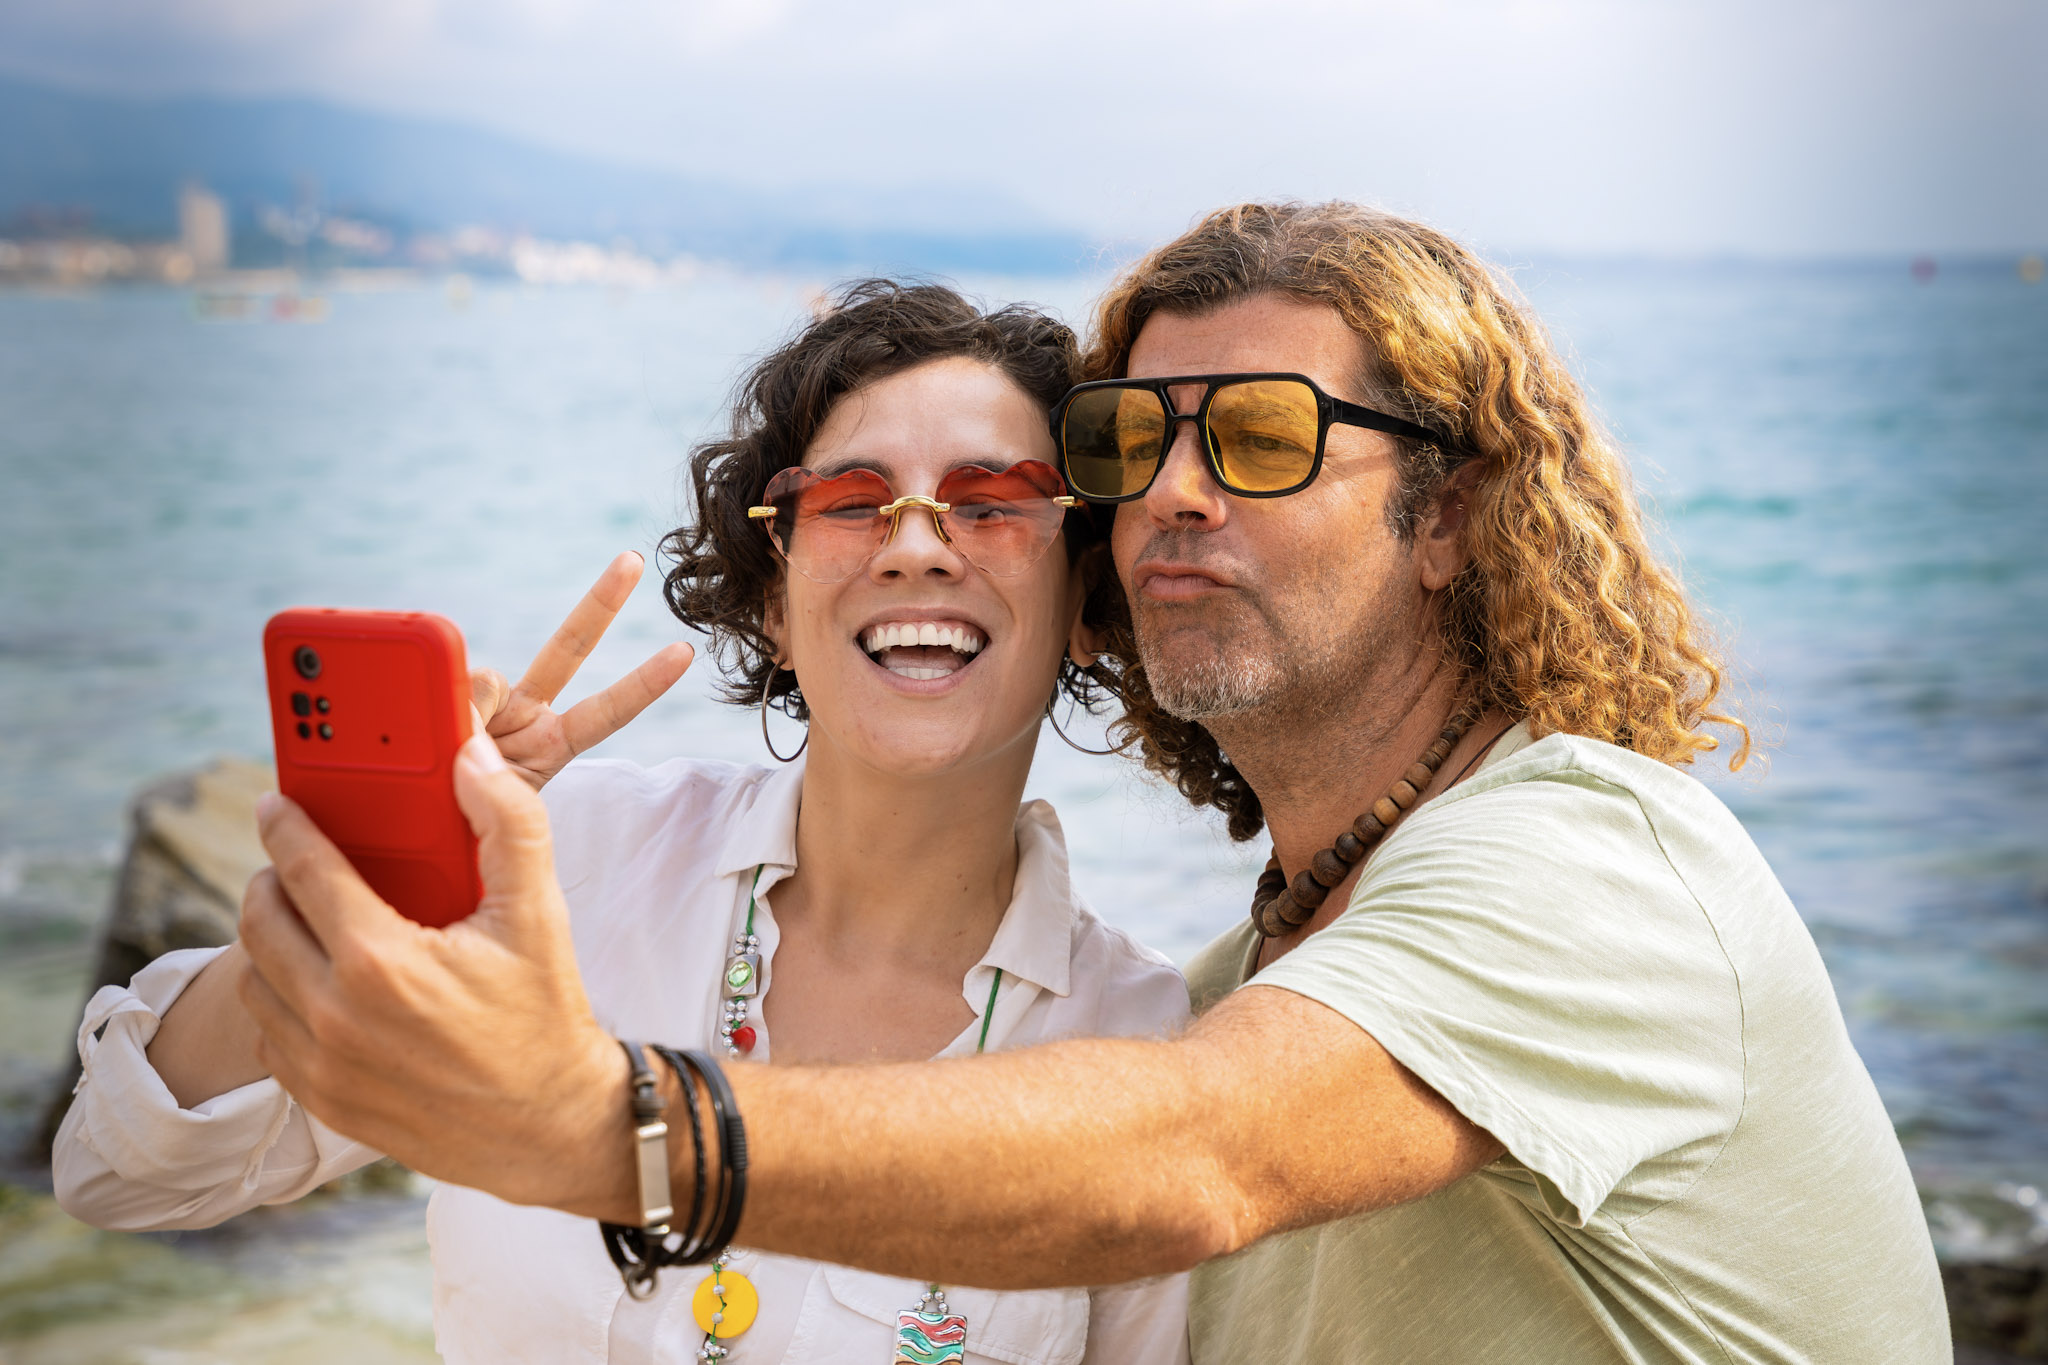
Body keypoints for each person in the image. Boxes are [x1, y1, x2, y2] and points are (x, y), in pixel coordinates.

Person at [81, 202, 1953, 1364]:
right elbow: (123, 1162)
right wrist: (384, 890)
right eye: (1132, 445)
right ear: (774, 564)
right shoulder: (1251, 989)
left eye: (1263, 436)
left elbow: (1190, 1157)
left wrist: (599, 1122)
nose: (1179, 493)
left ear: (1452, 514)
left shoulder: (1588, 867)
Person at [52, 281, 1194, 1364]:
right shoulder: (571, 860)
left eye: (990, 506)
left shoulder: (1145, 1044)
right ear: (770, 603)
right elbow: (121, 1168)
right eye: (850, 504)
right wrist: (388, 883)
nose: (914, 543)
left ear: (1085, 607)